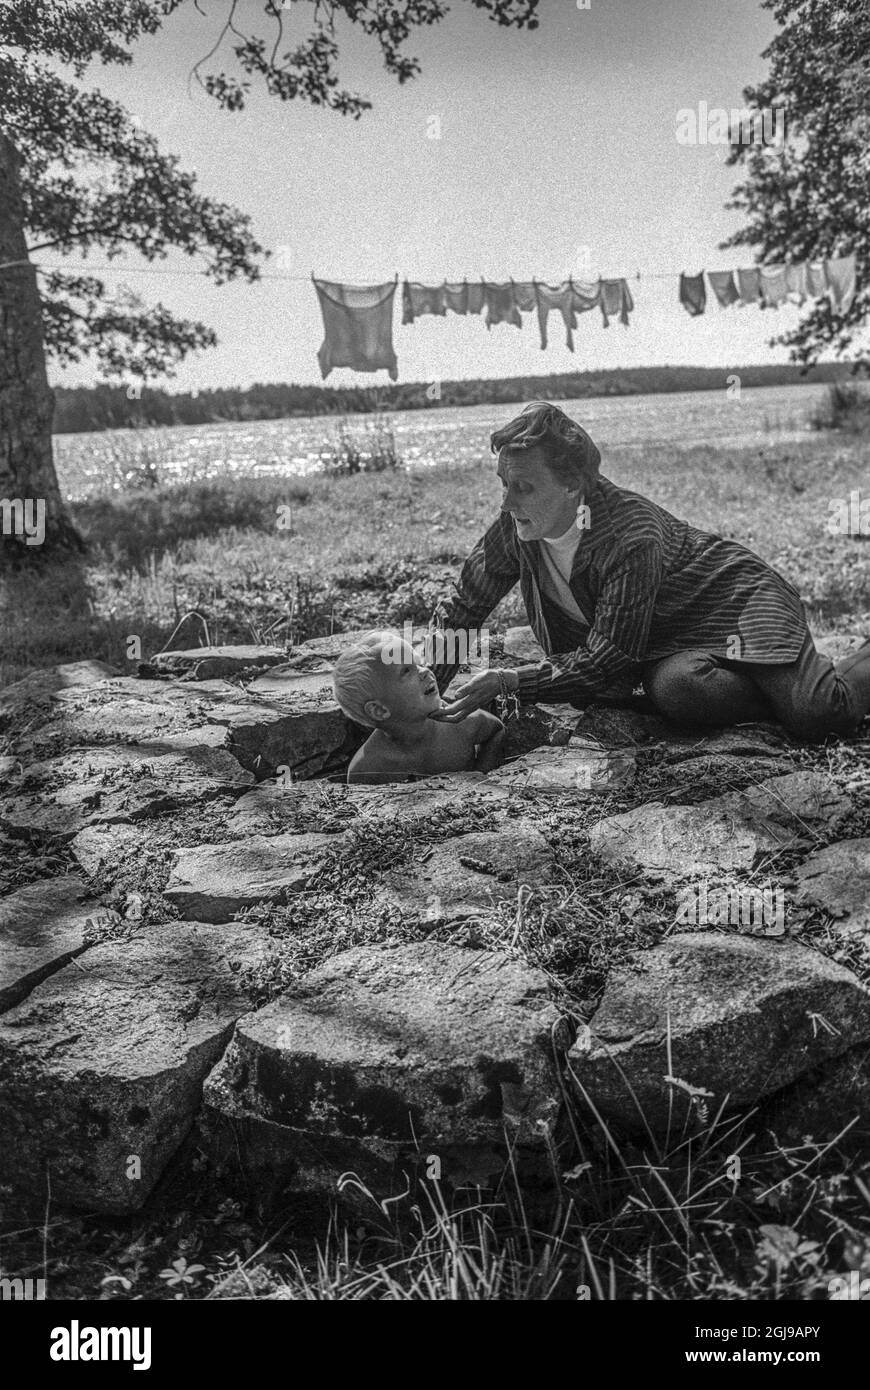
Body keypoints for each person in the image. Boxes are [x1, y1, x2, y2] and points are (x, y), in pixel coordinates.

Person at [427, 400, 870, 741]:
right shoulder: (517, 525)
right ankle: (777, 690)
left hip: (741, 601)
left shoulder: (630, 534)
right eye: (504, 485)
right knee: (678, 690)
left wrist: (509, 681)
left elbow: (606, 659)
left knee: (818, 713)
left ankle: (805, 682)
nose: (507, 503)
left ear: (572, 485)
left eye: (523, 487)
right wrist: (420, 697)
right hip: (670, 644)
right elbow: (464, 610)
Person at [332, 629, 505, 784]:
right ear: (380, 710)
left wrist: (482, 774)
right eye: (407, 670)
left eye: (419, 663)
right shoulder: (368, 768)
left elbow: (497, 730)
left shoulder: (460, 724)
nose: (424, 671)